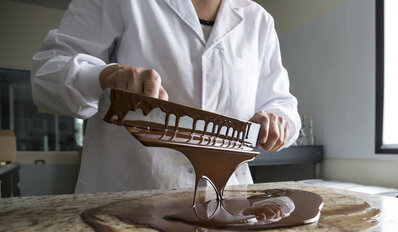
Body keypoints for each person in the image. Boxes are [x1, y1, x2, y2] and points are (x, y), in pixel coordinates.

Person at [31, 0, 301, 193]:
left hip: (228, 199)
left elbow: (281, 103)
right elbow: (47, 72)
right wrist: (103, 76)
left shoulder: (258, 20)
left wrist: (278, 120)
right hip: (129, 196)